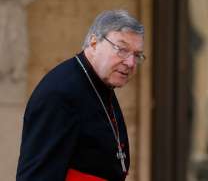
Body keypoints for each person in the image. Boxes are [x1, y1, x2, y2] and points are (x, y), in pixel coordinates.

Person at [16, 9, 145, 181]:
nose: (130, 63)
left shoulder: (102, 84)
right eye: (121, 49)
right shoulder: (59, 94)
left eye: (137, 55)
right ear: (93, 43)